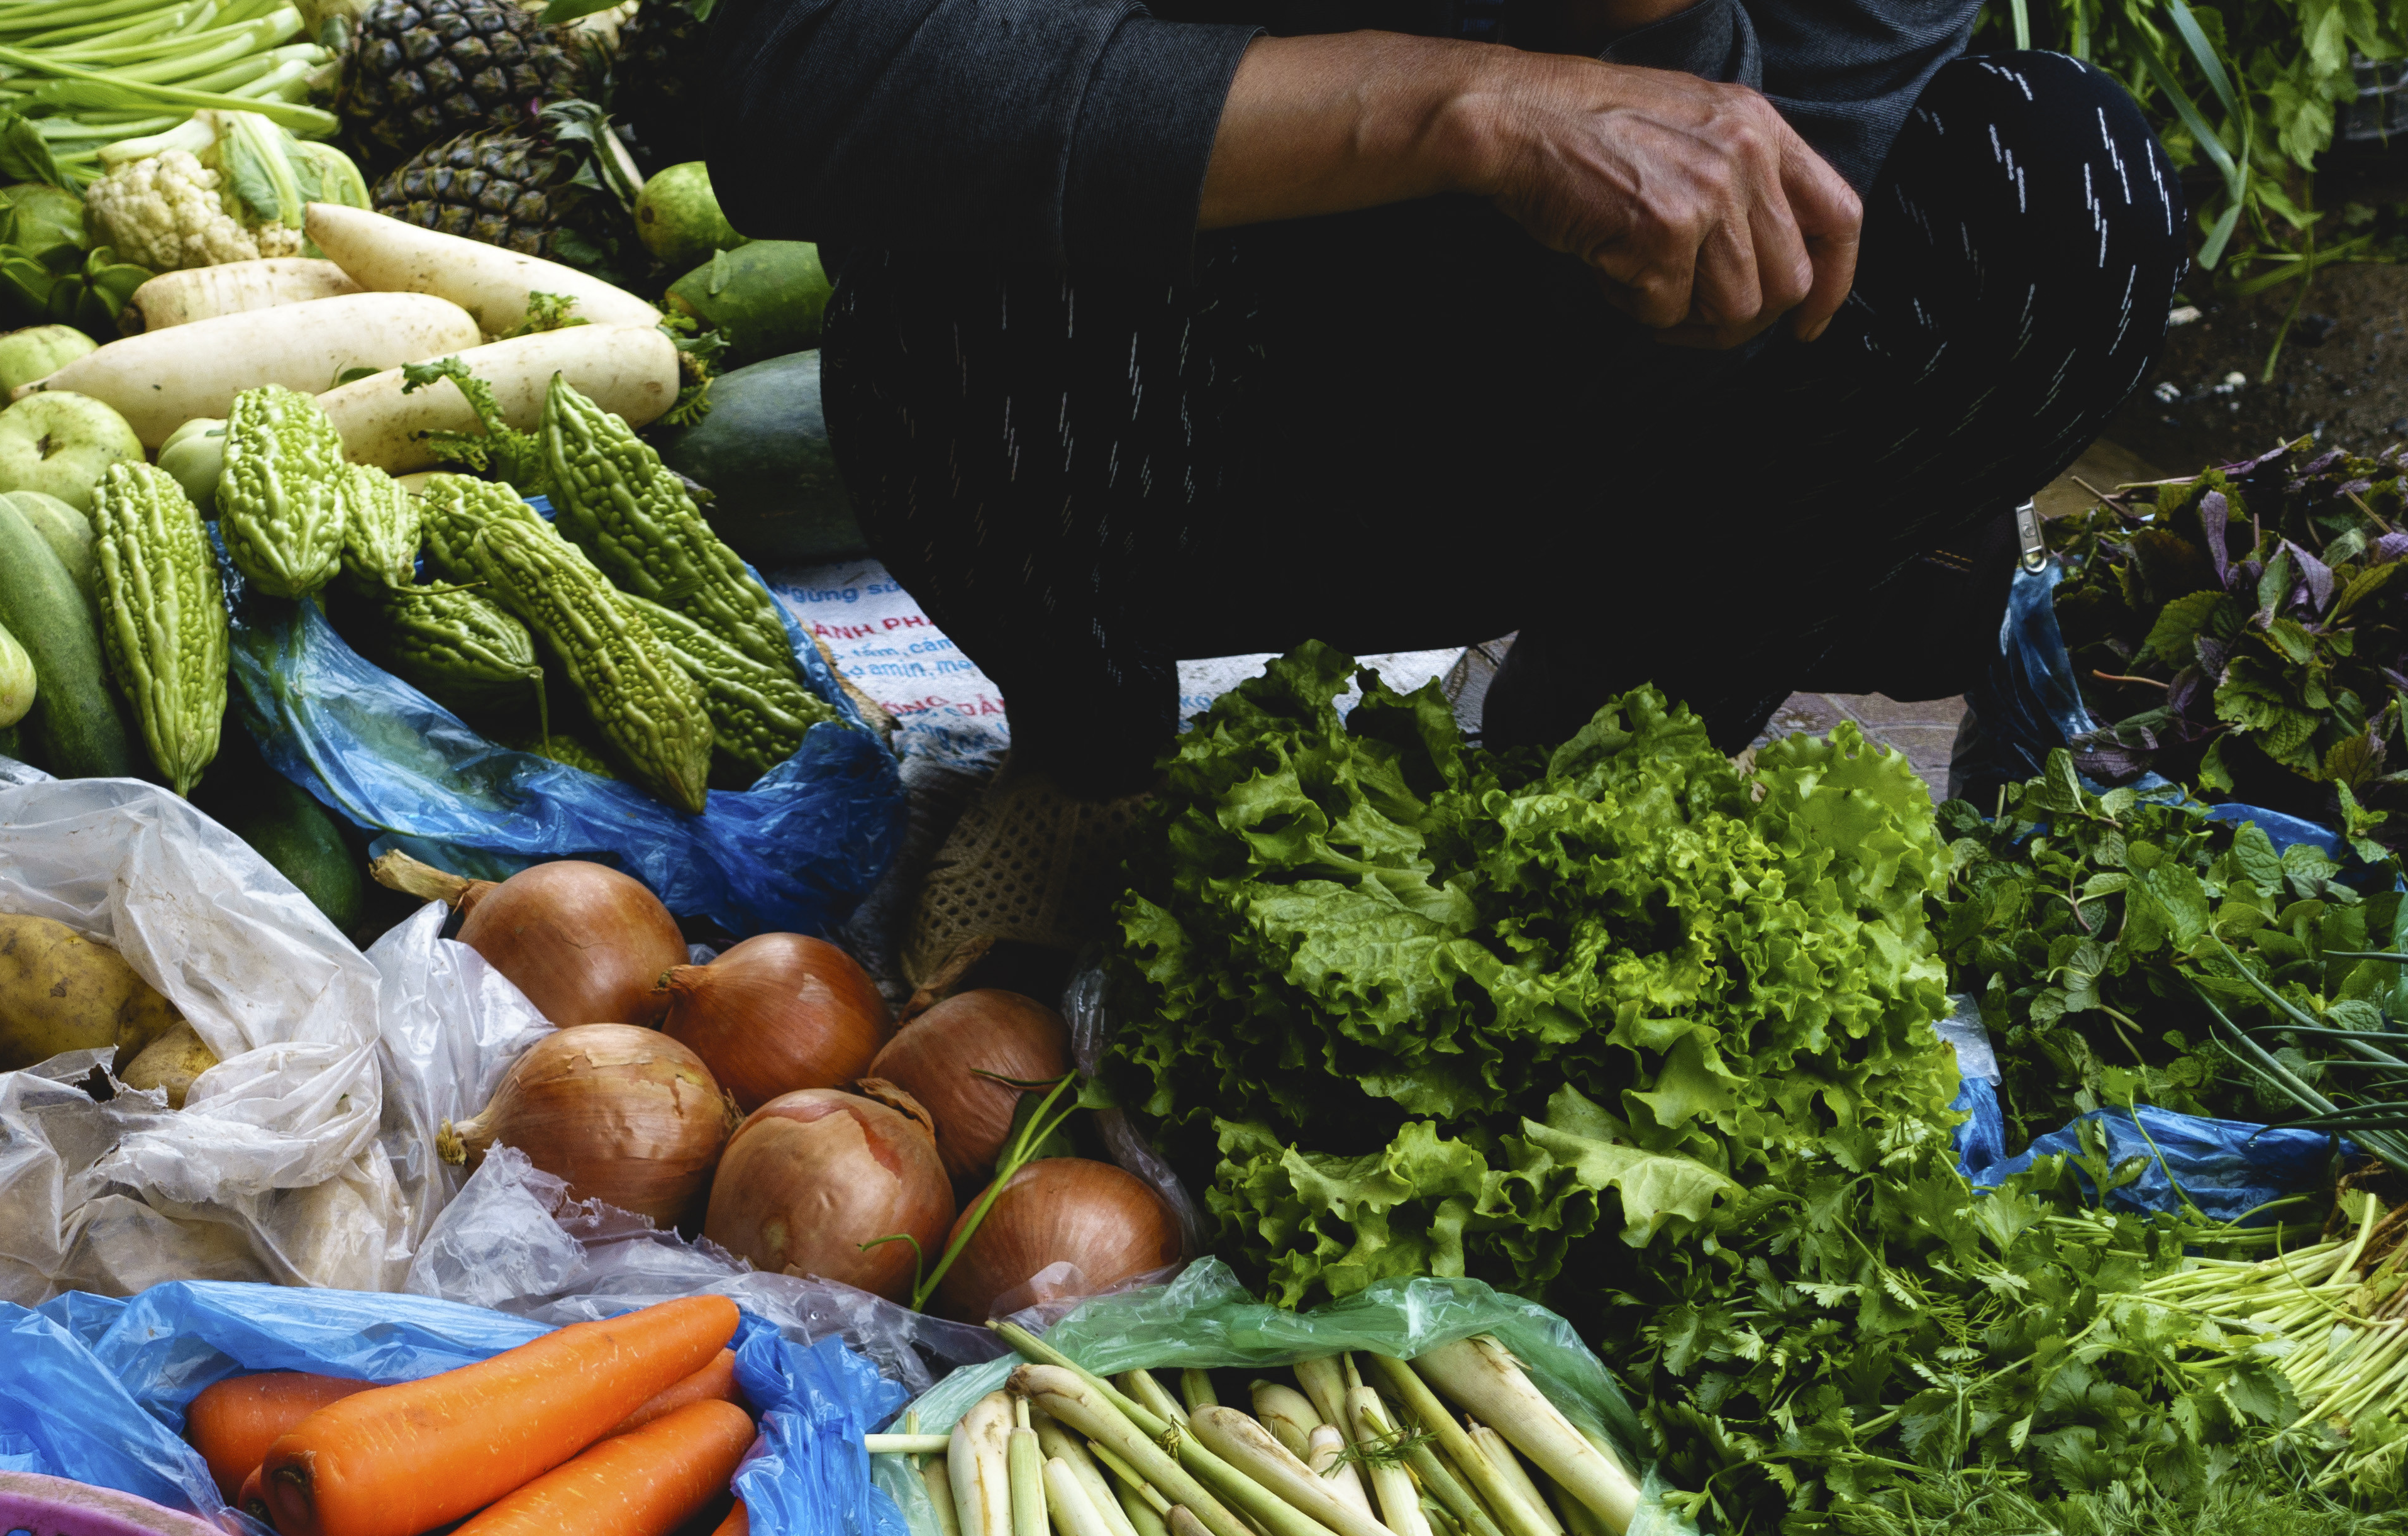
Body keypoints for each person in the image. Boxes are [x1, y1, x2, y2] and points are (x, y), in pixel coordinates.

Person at [698, 0, 2192, 974]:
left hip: (1600, 438)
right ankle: (1090, 761)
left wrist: (1666, 64)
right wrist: (1461, 106)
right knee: (958, 270)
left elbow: (1795, 231)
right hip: (1170, 416)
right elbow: (795, 85)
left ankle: (1595, 753)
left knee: (2070, 185)